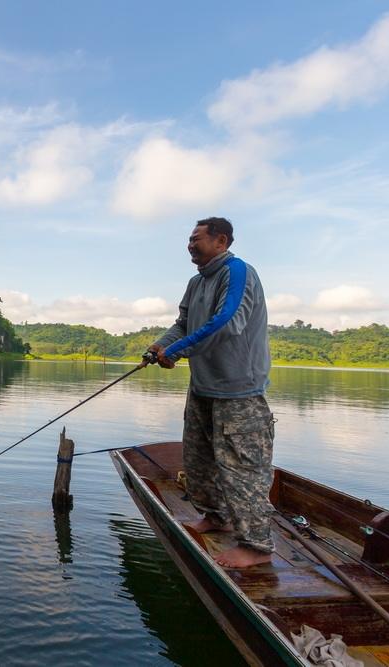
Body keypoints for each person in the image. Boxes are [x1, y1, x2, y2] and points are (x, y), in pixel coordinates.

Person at [145, 217, 275, 568]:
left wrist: (176, 351)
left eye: (196, 239)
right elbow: (184, 323)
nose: (190, 244)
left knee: (242, 468)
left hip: (239, 391)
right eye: (188, 239)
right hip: (203, 386)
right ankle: (215, 516)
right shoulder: (195, 282)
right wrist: (161, 345)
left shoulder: (238, 272)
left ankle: (257, 546)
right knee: (198, 458)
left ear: (221, 241)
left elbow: (226, 322)